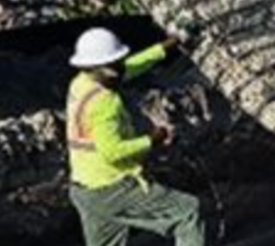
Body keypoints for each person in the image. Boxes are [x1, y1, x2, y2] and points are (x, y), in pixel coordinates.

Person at [66, 28, 204, 246]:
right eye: (116, 64)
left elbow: (132, 66)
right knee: (187, 212)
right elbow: (111, 152)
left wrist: (168, 46)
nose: (122, 67)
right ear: (103, 69)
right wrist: (154, 139)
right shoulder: (106, 102)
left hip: (85, 191)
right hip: (112, 187)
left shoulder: (82, 83)